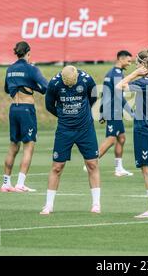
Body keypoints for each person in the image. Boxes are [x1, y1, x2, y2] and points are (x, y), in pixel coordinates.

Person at [40, 66, 100, 215]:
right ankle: (48, 205)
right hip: (64, 130)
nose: (71, 86)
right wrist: (62, 115)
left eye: (73, 84)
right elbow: (49, 105)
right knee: (57, 167)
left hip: (85, 128)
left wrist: (83, 113)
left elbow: (93, 97)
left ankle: (96, 204)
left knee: (92, 164)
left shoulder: (86, 79)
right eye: (68, 85)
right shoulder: (54, 84)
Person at [116, 48, 148, 218]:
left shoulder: (142, 83)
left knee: (147, 171)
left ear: (143, 66)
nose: (135, 66)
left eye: (137, 64)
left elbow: (118, 87)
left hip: (143, 130)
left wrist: (134, 74)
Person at [1, 41, 48, 192]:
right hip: (27, 109)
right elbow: (46, 87)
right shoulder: (31, 68)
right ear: (28, 53)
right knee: (29, 146)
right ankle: (20, 183)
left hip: (13, 109)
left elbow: (7, 89)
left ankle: (6, 183)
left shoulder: (10, 69)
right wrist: (34, 87)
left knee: (13, 146)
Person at [97, 50, 134, 176]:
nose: (130, 64)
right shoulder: (118, 75)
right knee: (111, 139)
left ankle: (119, 169)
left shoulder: (110, 73)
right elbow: (119, 97)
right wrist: (131, 112)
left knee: (121, 138)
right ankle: (91, 161)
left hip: (112, 110)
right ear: (121, 59)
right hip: (114, 110)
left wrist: (101, 112)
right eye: (128, 61)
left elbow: (104, 94)